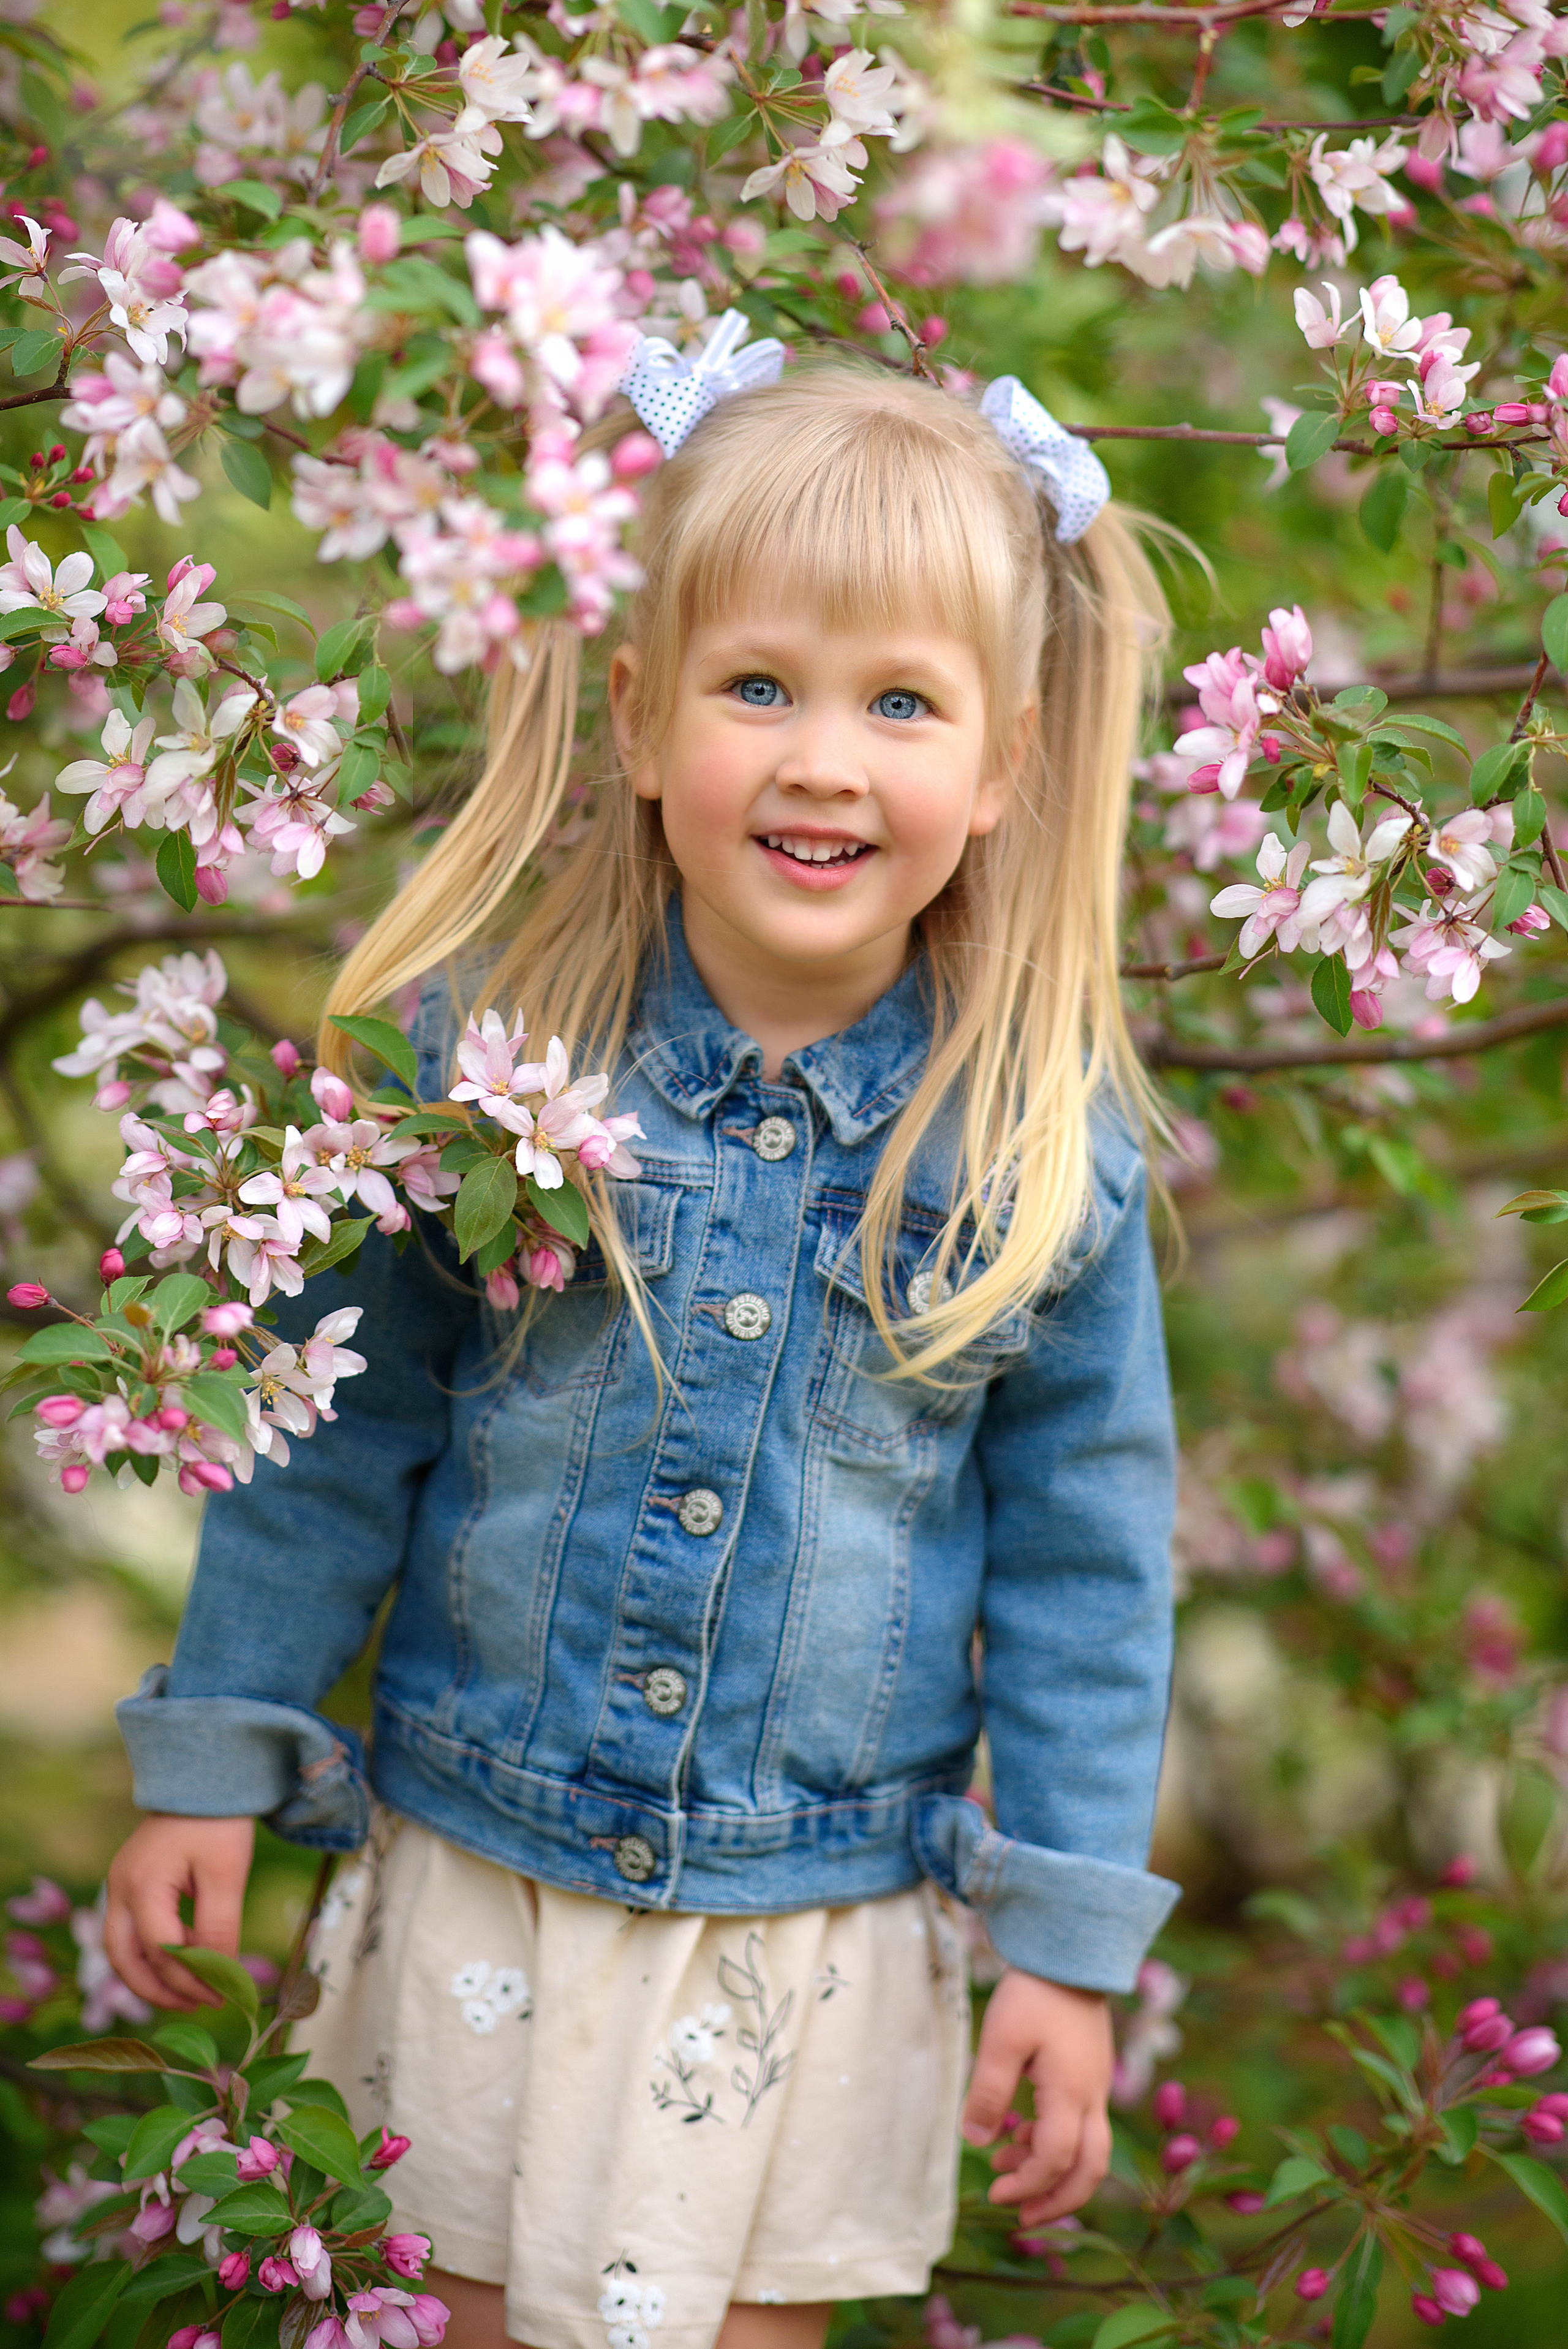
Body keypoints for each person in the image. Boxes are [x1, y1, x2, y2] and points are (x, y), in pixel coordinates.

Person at [103, 325, 1181, 2349]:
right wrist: (216, 1753)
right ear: (640, 716)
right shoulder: (493, 1065)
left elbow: (1087, 1575)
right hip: (481, 1875)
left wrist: (1064, 1946)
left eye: (900, 703)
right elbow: (339, 1439)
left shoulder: (1041, 1160)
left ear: (1005, 764)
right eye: (757, 684)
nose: (822, 758)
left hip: (811, 1934)